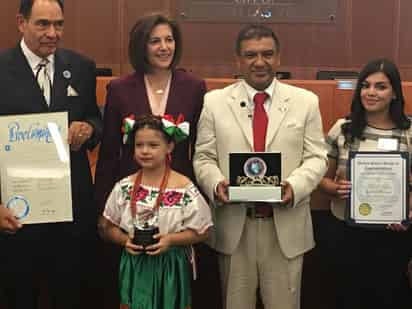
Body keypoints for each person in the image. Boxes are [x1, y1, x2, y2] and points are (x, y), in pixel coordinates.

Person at [193, 24, 328, 309]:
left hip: (285, 229)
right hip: (234, 227)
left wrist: (294, 187)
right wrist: (217, 184)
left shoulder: (306, 102)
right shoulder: (214, 102)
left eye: (267, 54)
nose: (259, 62)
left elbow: (317, 157)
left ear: (278, 58)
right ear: (238, 60)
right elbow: (203, 157)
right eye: (250, 55)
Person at [93, 14, 221, 309]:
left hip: (178, 201)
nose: (164, 47)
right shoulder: (120, 89)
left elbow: (202, 148)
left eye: (169, 40)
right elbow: (110, 151)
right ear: (141, 46)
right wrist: (101, 208)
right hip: (134, 199)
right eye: (155, 41)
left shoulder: (194, 87)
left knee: (176, 290)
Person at [0, 1, 102, 308]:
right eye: (43, 24)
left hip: (72, 210)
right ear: (21, 22)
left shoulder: (82, 67)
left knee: (70, 293)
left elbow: (95, 119)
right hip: (17, 213)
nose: (52, 33)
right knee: (19, 295)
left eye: (58, 24)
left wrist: (89, 129)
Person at [319, 58, 412, 309]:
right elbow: (322, 179)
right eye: (366, 85)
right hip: (347, 233)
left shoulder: (409, 131)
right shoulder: (343, 129)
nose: (371, 92)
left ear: (394, 93)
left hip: (393, 236)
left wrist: (408, 210)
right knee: (347, 297)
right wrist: (332, 188)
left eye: (381, 86)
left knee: (389, 297)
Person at [98, 114, 213, 309]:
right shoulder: (124, 186)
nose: (145, 151)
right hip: (134, 264)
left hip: (170, 266)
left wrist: (171, 240)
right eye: (139, 145)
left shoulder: (184, 187)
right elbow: (106, 226)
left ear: (169, 146)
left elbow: (203, 231)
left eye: (153, 145)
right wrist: (124, 240)